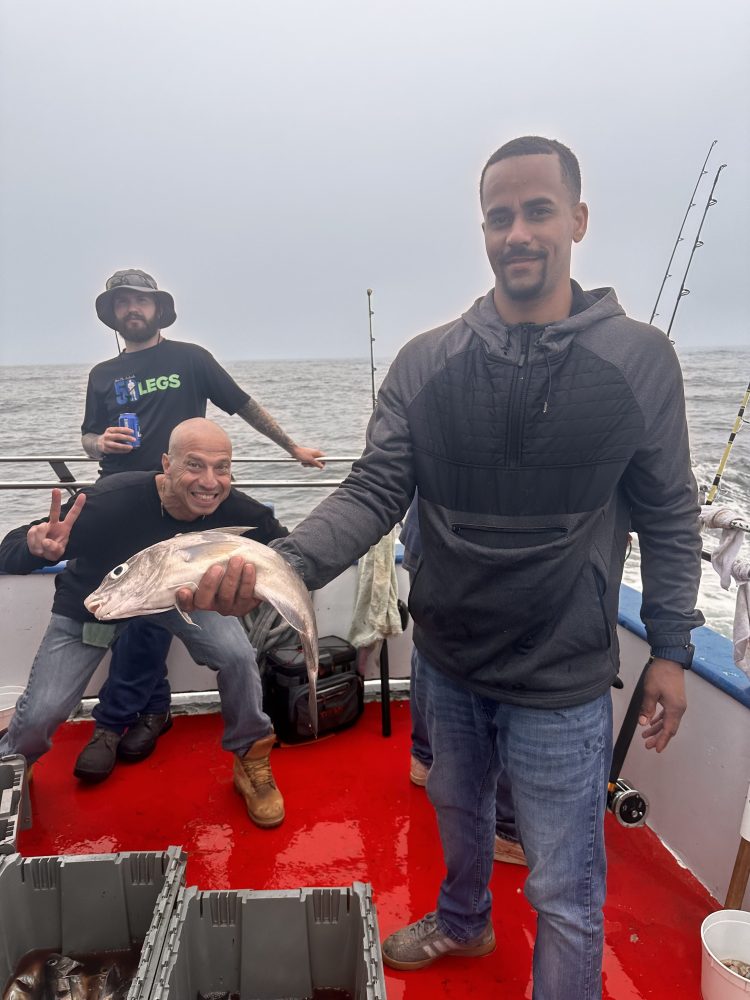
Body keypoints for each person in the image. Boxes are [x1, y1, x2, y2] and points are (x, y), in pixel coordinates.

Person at [188, 136, 704, 999]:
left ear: (577, 220)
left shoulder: (640, 360)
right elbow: (372, 490)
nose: (518, 233)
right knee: (458, 820)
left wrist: (674, 649)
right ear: (484, 231)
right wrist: (274, 565)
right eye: (499, 217)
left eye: (538, 210)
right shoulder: (427, 362)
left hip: (564, 677)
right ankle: (464, 923)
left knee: (566, 889)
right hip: (450, 665)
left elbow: (671, 515)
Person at [74, 268, 324, 782]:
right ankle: (144, 711)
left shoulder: (191, 358)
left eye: (140, 300)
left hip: (188, 498)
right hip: (124, 499)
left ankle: (130, 718)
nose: (131, 309)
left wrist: (292, 447)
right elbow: (86, 436)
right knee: (127, 607)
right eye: (122, 302)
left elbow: (242, 404)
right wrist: (102, 445)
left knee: (179, 596)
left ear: (158, 308)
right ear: (113, 313)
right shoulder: (102, 374)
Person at [0, 419, 289, 829]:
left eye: (222, 467)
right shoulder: (110, 501)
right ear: (166, 464)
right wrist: (35, 548)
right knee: (44, 709)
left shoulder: (236, 509)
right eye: (195, 465)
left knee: (238, 656)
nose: (210, 482)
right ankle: (14, 764)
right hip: (98, 602)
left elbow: (286, 550)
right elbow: (10, 548)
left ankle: (251, 759)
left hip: (184, 599)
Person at [401, 498, 526, 867]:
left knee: (429, 645)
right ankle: (507, 829)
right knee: (504, 675)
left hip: (423, 534)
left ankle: (424, 758)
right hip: (469, 549)